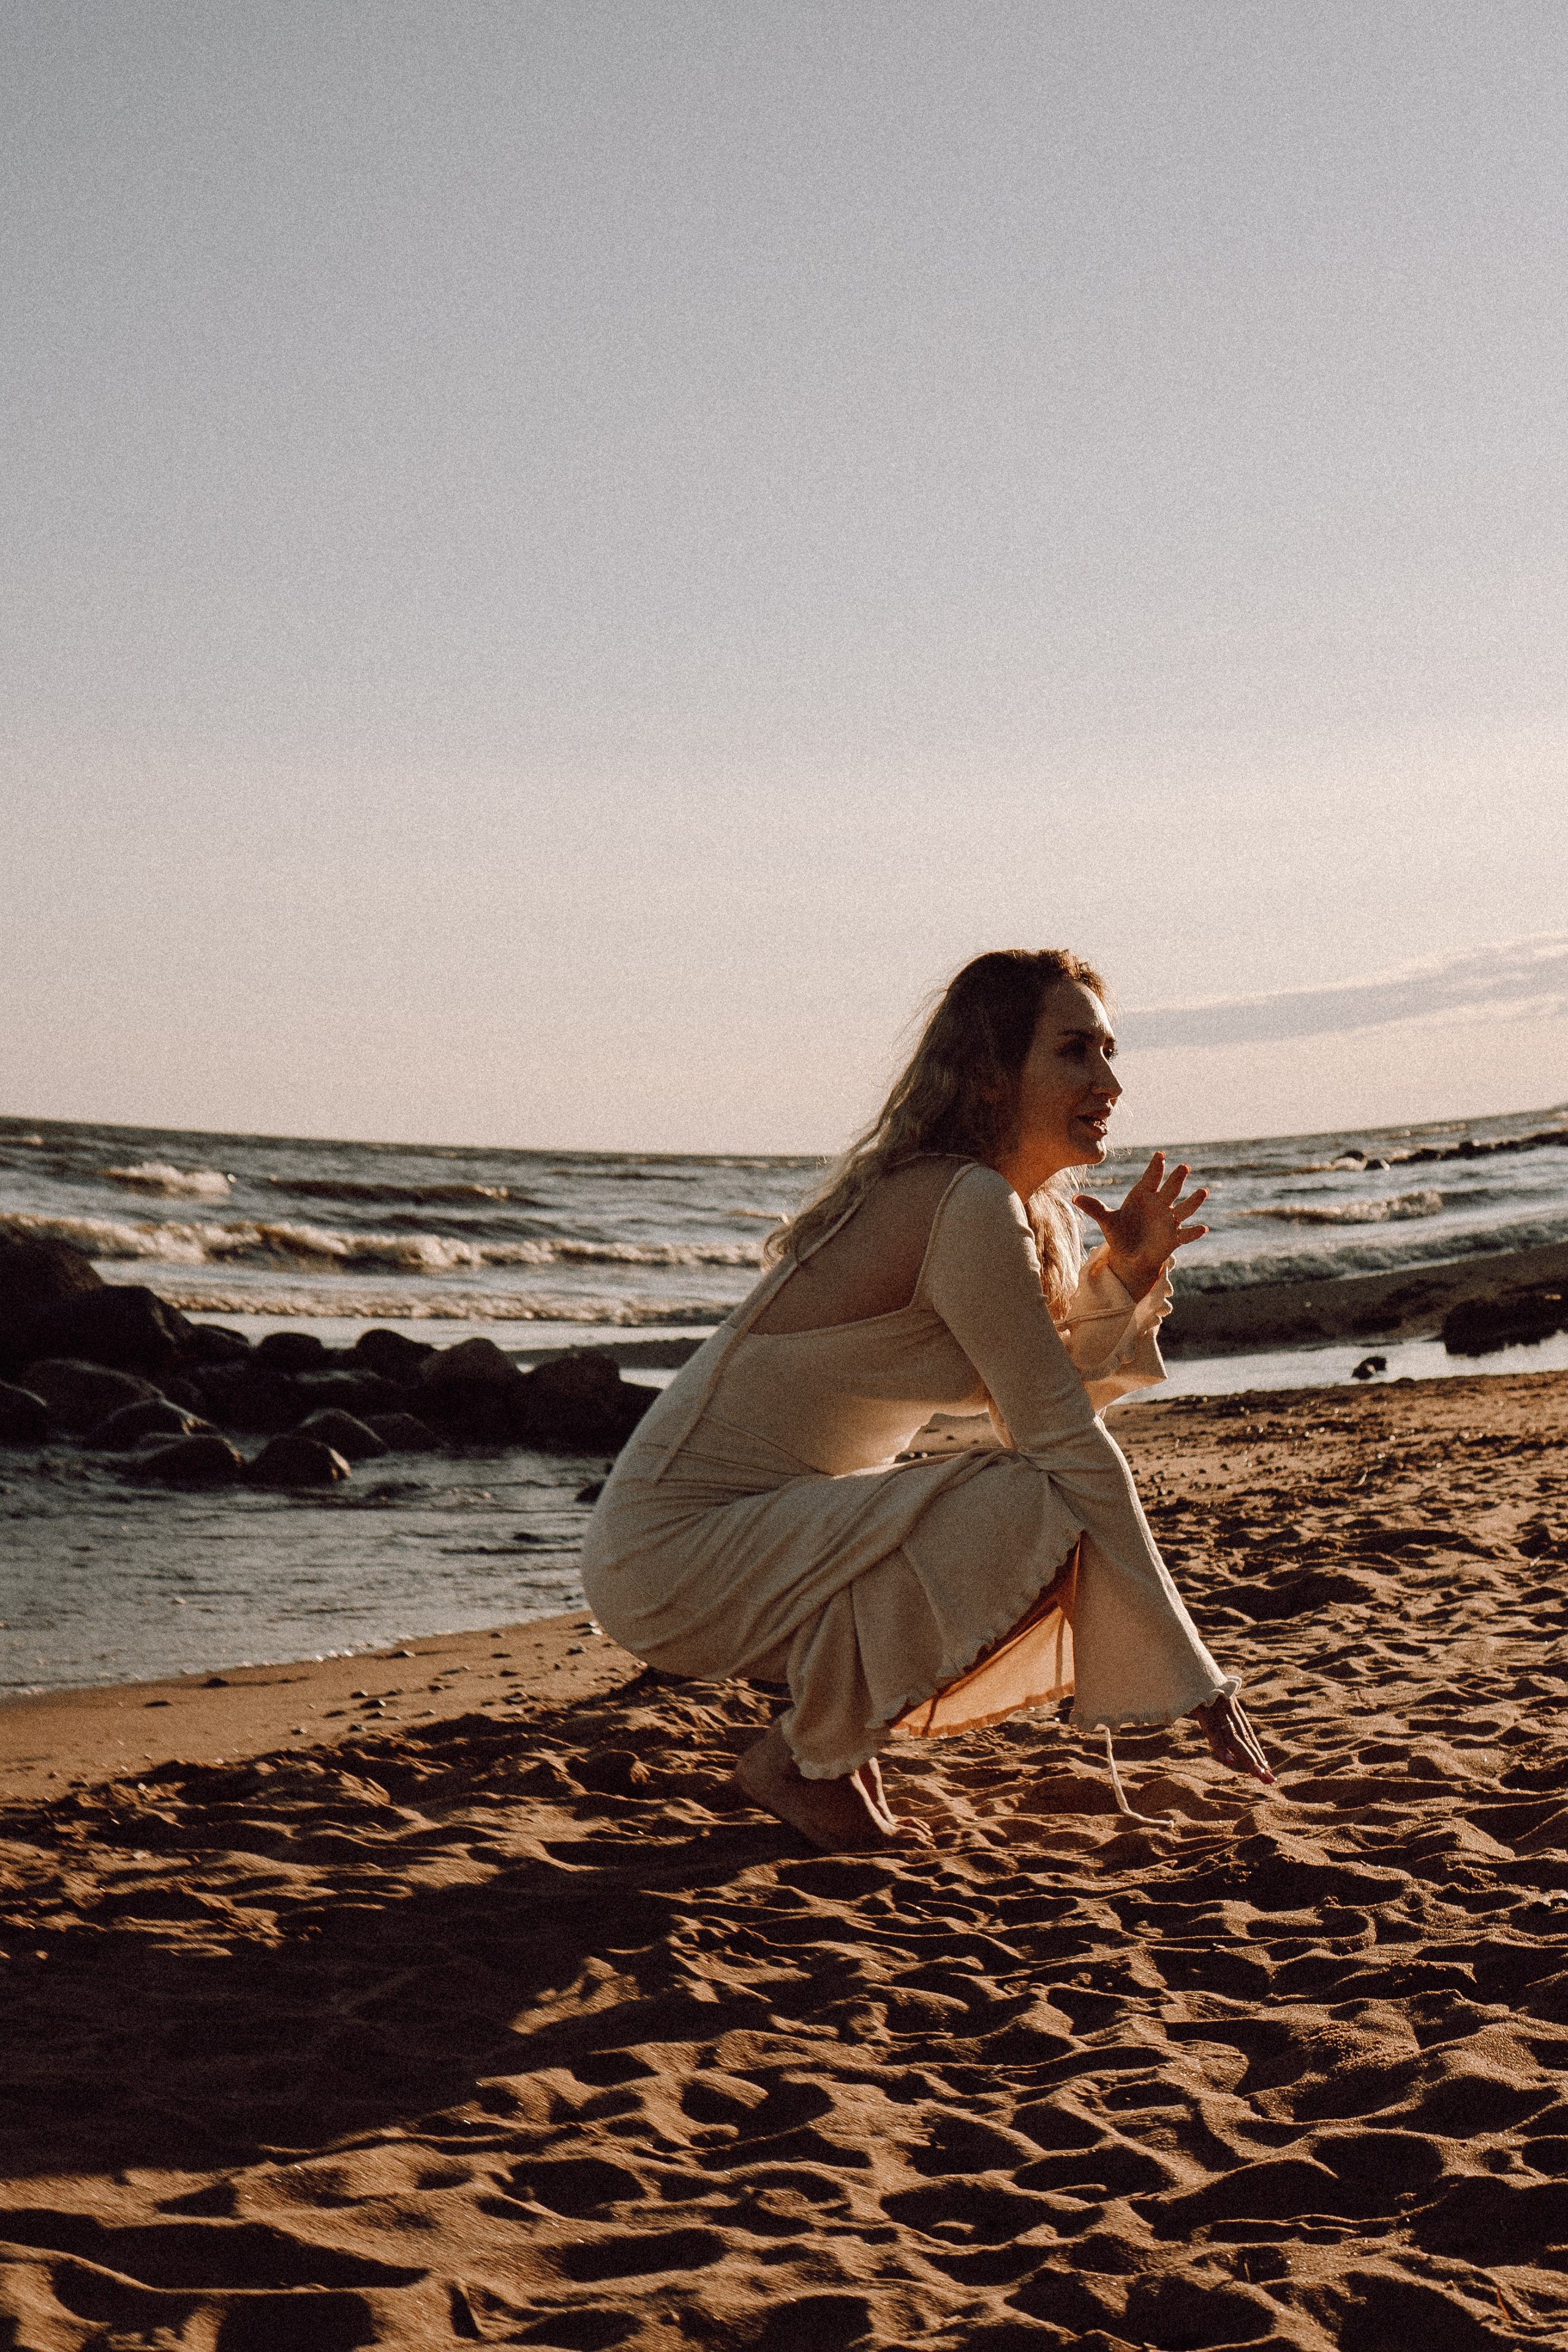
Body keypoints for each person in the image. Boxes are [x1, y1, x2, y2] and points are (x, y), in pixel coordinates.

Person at [581, 949, 1272, 1851]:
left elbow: (1038, 1408)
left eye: (1109, 1052)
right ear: (991, 1073)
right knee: (1036, 1496)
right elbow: (1060, 1441)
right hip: (675, 1553)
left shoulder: (995, 1205)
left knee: (1033, 1489)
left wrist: (1127, 1275)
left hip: (753, 1536)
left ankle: (829, 1746)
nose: (1109, 1082)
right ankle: (808, 1758)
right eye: (1074, 1051)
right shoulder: (962, 1199)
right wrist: (1197, 1676)